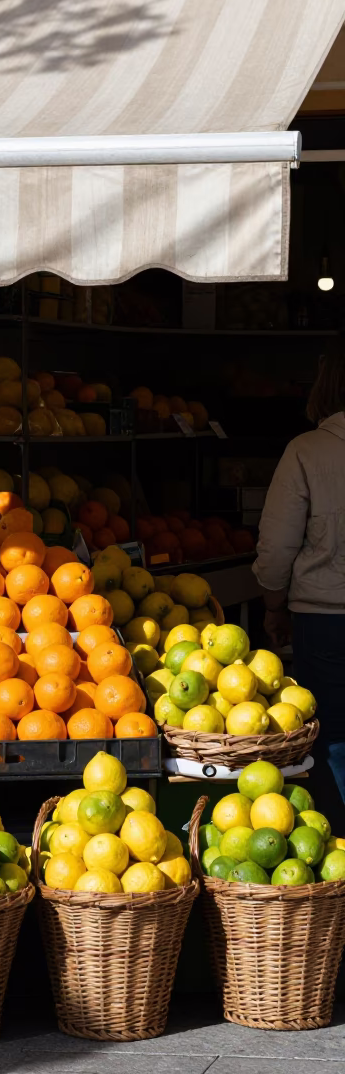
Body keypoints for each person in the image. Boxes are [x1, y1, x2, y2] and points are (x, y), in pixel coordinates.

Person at [253, 334, 345, 809]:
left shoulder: (307, 450)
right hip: (321, 619)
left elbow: (276, 548)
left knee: (332, 739)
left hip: (324, 620)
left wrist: (274, 606)